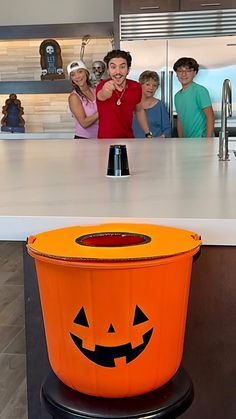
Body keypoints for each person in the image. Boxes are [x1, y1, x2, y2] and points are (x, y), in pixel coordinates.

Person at [96, 49, 152, 139]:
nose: (118, 72)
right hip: (105, 142)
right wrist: (106, 90)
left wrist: (147, 133)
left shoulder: (136, 87)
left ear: (128, 70)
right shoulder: (102, 86)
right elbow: (102, 95)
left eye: (122, 67)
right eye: (113, 67)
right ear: (108, 70)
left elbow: (139, 110)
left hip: (128, 139)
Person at [173, 57, 214, 138]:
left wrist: (208, 142)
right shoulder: (177, 96)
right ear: (176, 73)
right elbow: (180, 120)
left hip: (201, 141)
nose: (183, 74)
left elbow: (210, 116)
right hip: (187, 142)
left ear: (195, 73)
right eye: (180, 71)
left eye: (188, 71)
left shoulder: (200, 91)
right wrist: (181, 141)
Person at [133, 70, 171, 138]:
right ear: (140, 85)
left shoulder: (160, 106)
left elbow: (167, 129)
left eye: (154, 85)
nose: (151, 88)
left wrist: (162, 137)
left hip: (155, 146)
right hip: (133, 145)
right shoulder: (132, 104)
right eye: (147, 84)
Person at [67, 60, 98, 139]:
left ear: (86, 73)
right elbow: (84, 123)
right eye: (73, 74)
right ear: (71, 79)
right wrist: (102, 111)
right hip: (83, 139)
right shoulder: (74, 97)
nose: (77, 76)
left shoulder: (95, 90)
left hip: (100, 138)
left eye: (80, 72)